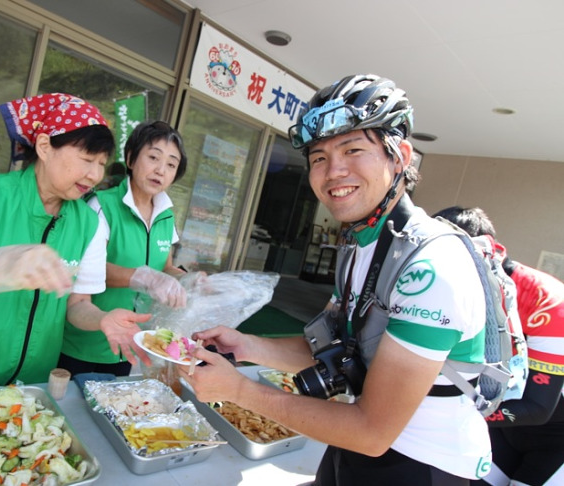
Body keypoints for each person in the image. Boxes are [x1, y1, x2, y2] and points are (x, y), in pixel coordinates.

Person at [180, 74, 492, 485]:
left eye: (353, 149)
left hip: (424, 464)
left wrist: (239, 391)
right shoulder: (361, 244)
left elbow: (371, 430)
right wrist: (247, 345)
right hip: (356, 449)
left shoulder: (431, 267)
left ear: (399, 155)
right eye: (318, 158)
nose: (333, 171)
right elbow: (339, 348)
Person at [0, 93, 151, 393]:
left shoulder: (88, 223)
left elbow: (77, 303)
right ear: (45, 146)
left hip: (28, 391)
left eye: (101, 164)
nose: (95, 175)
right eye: (87, 160)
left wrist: (103, 319)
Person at [433, 206, 564, 486]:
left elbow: (539, 408)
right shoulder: (448, 292)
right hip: (505, 425)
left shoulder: (548, 301)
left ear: (494, 251)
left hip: (555, 437)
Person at [59, 120, 188, 377]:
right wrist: (143, 278)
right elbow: (84, 269)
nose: (161, 170)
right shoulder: (101, 206)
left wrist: (191, 281)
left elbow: (165, 267)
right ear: (130, 158)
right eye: (153, 157)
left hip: (131, 341)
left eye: (171, 165)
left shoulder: (166, 215)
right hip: (86, 340)